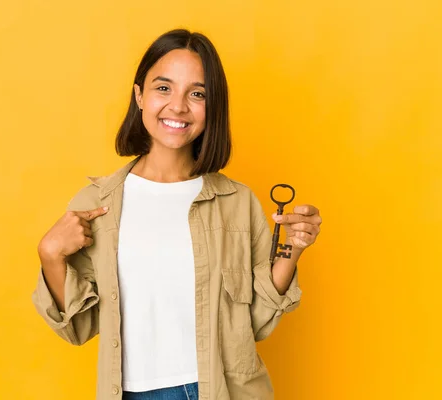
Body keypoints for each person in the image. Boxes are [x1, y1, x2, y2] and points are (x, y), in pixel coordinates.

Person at [32, 28, 322, 400]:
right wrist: (49, 255)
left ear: (211, 106)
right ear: (139, 95)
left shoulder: (237, 202)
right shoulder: (96, 204)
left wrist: (294, 247)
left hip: (219, 390)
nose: (179, 106)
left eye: (197, 93)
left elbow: (257, 324)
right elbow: (79, 327)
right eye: (163, 88)